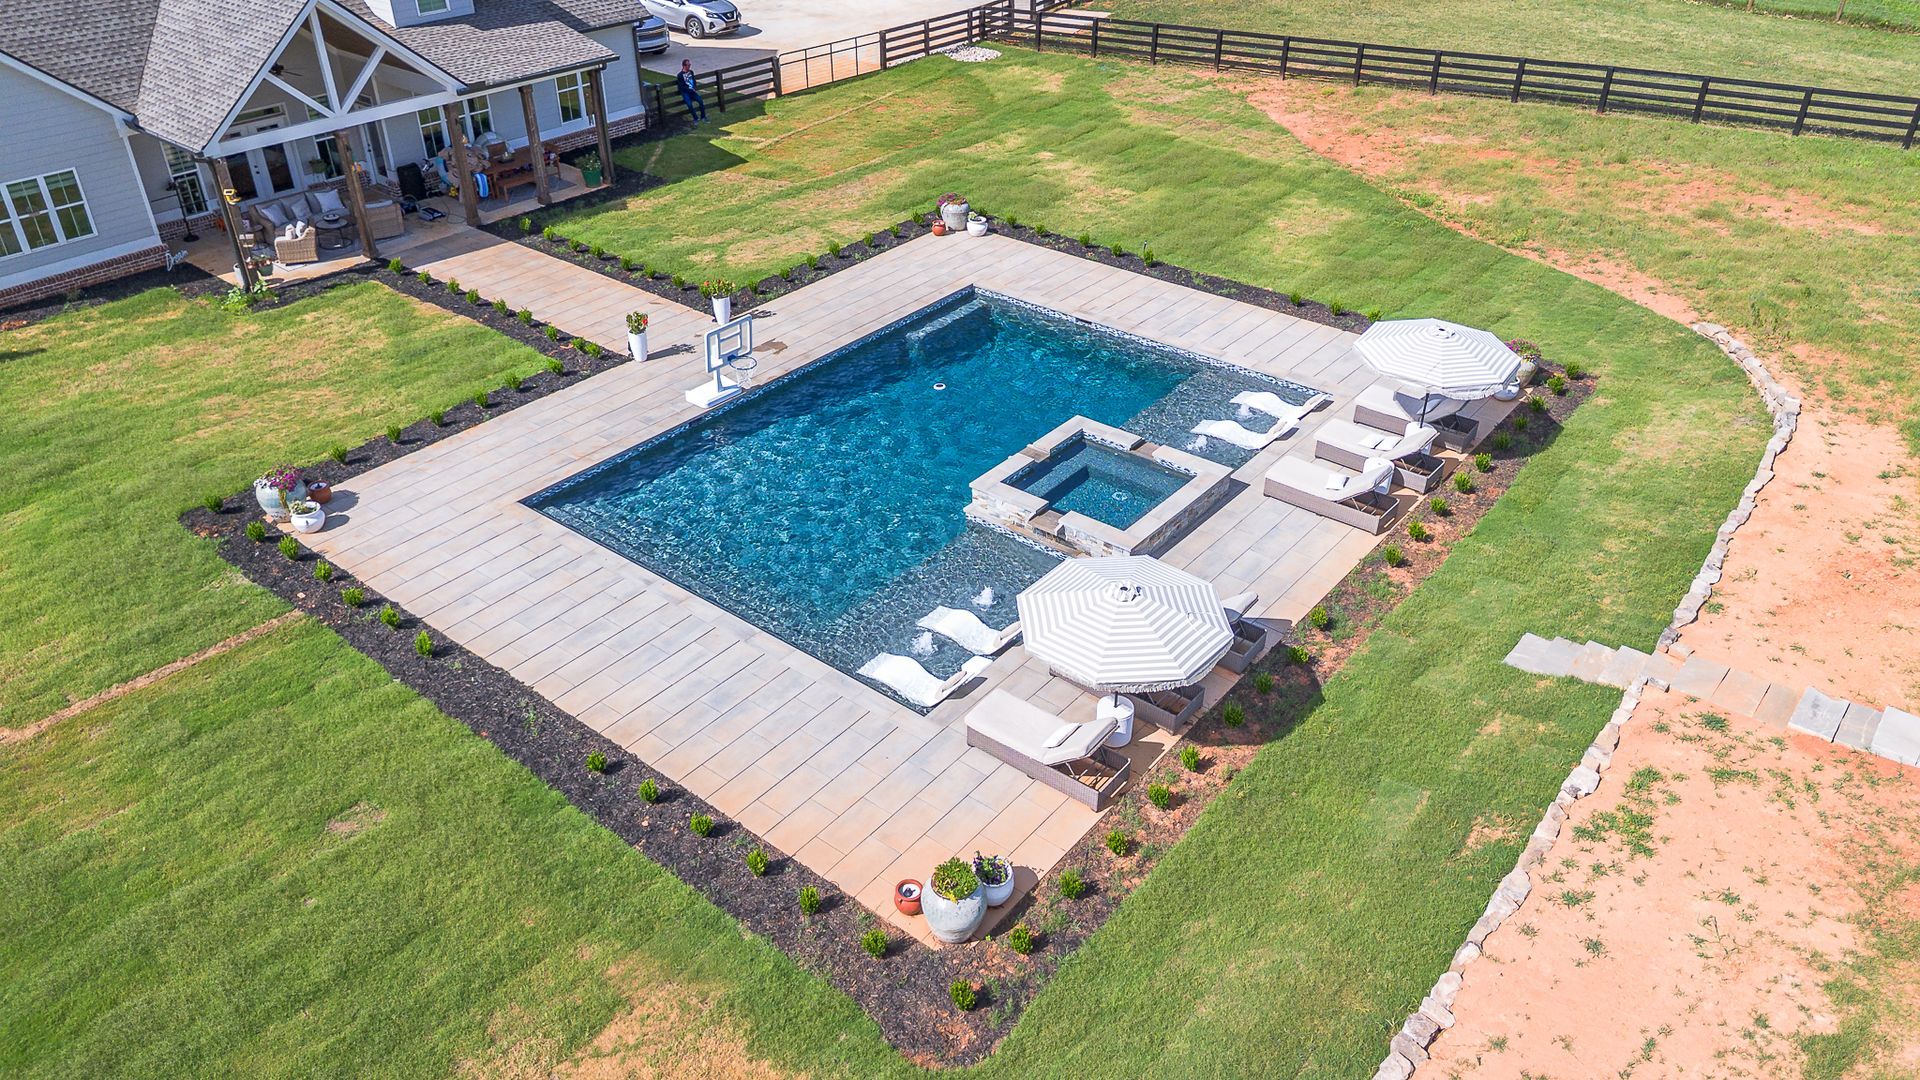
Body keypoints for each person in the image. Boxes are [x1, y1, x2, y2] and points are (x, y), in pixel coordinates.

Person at [676, 59, 708, 123]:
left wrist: (694, 87)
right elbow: (681, 87)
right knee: (689, 104)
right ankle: (695, 118)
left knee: (700, 101)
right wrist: (689, 89)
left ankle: (703, 117)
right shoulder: (680, 75)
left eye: (690, 64)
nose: (690, 66)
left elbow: (694, 80)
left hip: (692, 91)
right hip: (686, 93)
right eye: (688, 65)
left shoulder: (691, 72)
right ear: (684, 66)